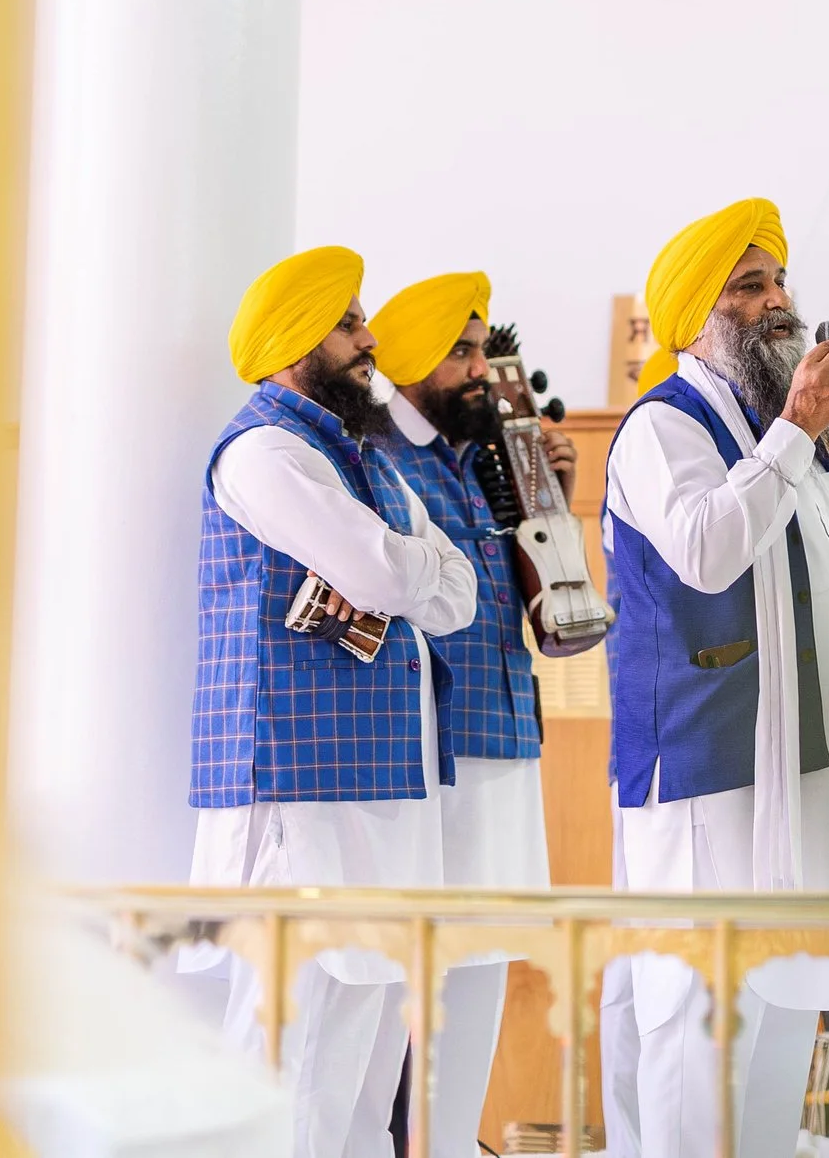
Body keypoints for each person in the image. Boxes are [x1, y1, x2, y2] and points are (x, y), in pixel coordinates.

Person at [597, 198, 829, 1158]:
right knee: (699, 1025)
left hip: (799, 781)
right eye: (750, 284)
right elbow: (706, 550)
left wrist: (799, 434)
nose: (778, 301)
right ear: (698, 316)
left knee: (777, 1015)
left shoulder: (794, 439)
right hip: (704, 772)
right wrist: (798, 430)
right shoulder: (662, 425)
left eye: (779, 281)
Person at [183, 245, 477, 1158]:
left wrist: (395, 567)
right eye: (348, 322)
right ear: (292, 341)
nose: (368, 337)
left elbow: (456, 597)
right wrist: (395, 567)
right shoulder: (262, 453)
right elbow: (385, 572)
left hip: (387, 788)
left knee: (367, 1049)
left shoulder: (370, 464)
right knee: (295, 1055)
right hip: (301, 789)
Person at [365, 270, 576, 1158]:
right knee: (412, 975)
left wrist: (548, 501)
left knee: (484, 959)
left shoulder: (474, 458)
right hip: (431, 754)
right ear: (409, 359)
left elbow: (564, 623)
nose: (481, 368)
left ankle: (451, 1146)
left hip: (505, 737)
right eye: (460, 349)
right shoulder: (376, 456)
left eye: (484, 348)